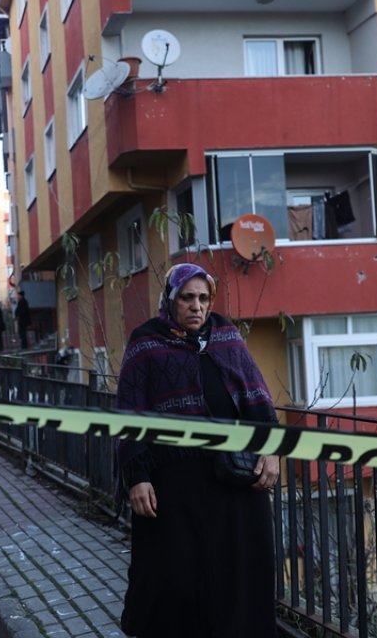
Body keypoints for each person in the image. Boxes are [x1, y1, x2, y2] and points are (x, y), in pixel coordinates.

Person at [116, 263, 280, 638]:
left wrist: (270, 450)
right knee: (176, 582)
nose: (197, 306)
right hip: (175, 488)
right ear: (171, 300)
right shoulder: (147, 343)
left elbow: (258, 397)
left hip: (235, 483)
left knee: (241, 578)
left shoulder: (226, 336)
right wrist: (137, 476)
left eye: (204, 298)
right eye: (187, 297)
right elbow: (129, 413)